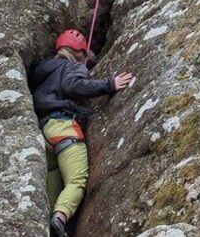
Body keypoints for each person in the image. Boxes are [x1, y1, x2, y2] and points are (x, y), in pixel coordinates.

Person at [31, 29, 133, 237]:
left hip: (43, 132)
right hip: (64, 128)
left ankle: (45, 226)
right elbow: (74, 85)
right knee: (76, 180)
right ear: (81, 53)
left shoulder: (42, 72)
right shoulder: (73, 67)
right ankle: (59, 219)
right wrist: (109, 84)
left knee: (54, 182)